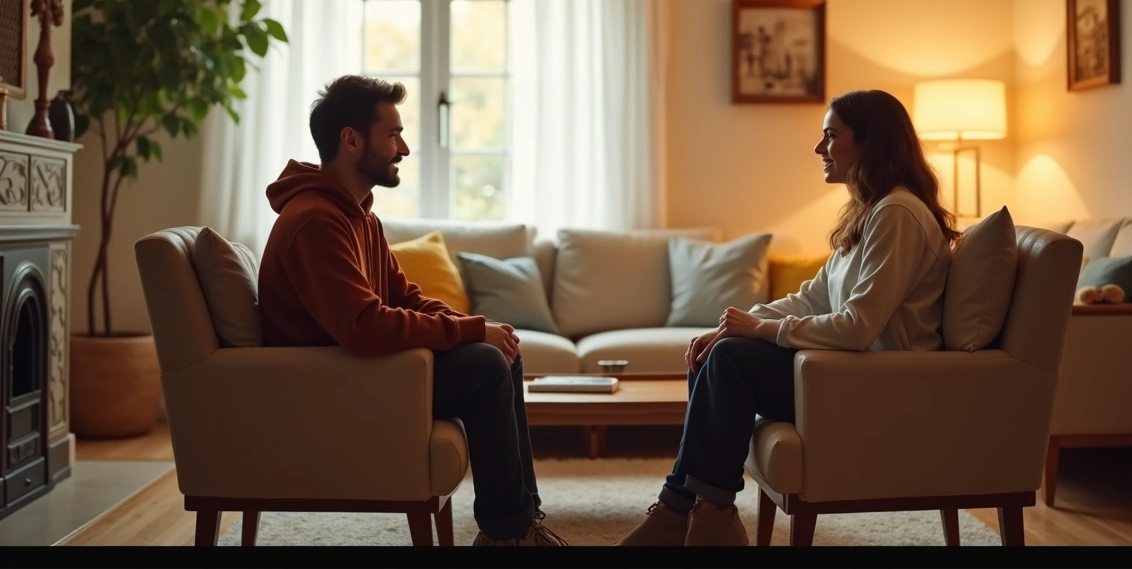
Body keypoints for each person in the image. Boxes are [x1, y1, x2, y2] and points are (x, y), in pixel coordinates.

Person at [616, 89, 961, 546]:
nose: (819, 148)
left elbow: (858, 326)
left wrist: (756, 329)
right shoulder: (873, 212)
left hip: (879, 386)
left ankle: (695, 513)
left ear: (870, 142)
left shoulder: (898, 213)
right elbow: (810, 298)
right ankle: (691, 510)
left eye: (831, 136)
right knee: (720, 351)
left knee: (732, 360)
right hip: (847, 376)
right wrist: (729, 326)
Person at [257, 75, 566, 547]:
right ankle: (510, 534)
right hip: (331, 384)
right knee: (484, 365)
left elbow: (402, 297)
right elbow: (363, 326)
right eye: (393, 134)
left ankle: (517, 525)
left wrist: (477, 328)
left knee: (500, 351)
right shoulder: (316, 221)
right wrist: (469, 334)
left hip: (364, 371)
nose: (403, 148)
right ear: (351, 140)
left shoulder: (359, 216)